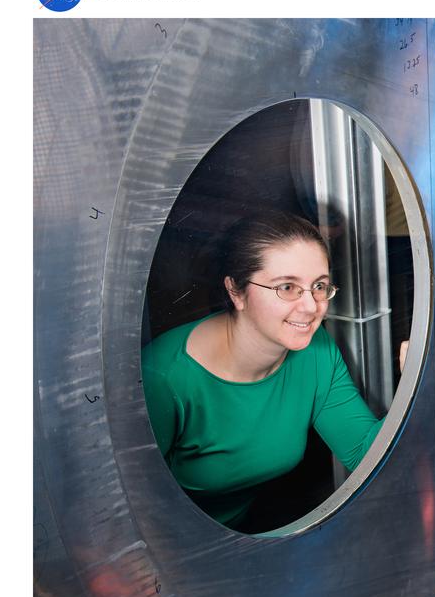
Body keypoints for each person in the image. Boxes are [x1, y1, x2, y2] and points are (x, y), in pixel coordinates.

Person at [142, 211, 384, 529]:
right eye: (287, 287)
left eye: (319, 286)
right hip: (173, 544)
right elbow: (130, 512)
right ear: (236, 291)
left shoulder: (316, 350)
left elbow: (365, 451)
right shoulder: (162, 378)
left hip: (249, 533)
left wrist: (424, 389)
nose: (312, 307)